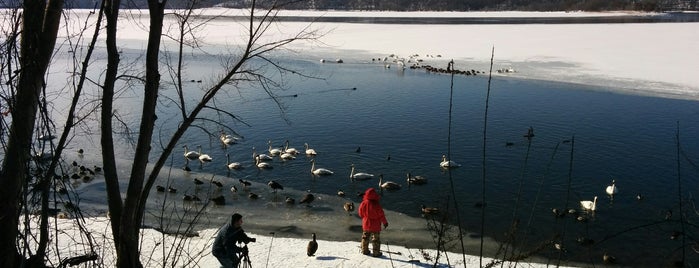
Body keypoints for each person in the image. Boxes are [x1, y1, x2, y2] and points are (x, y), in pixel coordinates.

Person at [358, 187, 388, 257]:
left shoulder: (363, 203)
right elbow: (381, 215)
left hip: (366, 223)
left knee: (365, 237)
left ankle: (364, 250)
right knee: (375, 239)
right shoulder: (377, 205)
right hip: (375, 225)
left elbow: (360, 213)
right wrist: (385, 222)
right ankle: (376, 252)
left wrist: (365, 217)